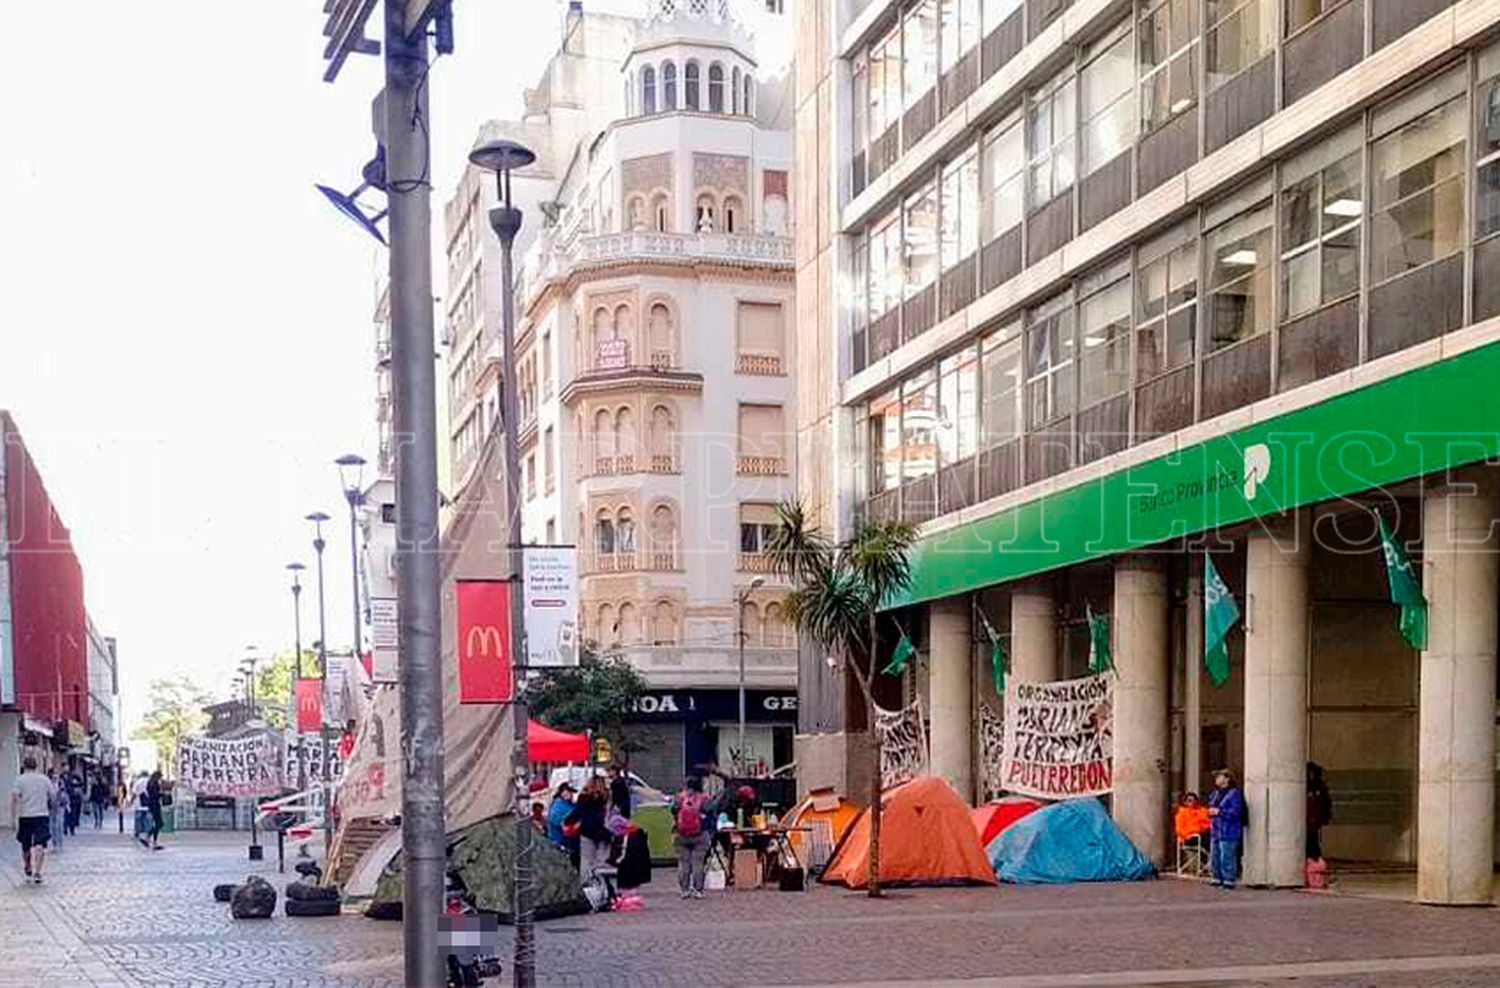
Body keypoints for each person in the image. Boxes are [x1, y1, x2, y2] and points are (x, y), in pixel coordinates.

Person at [10, 756, 56, 884]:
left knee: (25, 844)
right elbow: (53, 796)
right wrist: (50, 808)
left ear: (24, 766)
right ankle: (38, 872)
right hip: (41, 815)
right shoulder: (44, 779)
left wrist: (13, 818)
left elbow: (14, 798)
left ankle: (28, 865)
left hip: (25, 816)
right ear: (36, 766)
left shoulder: (19, 780)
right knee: (40, 844)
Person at [670, 776, 711, 900]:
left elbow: (673, 810)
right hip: (700, 835)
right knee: (698, 863)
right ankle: (698, 890)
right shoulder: (704, 798)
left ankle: (684, 890)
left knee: (684, 863)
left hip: (681, 835)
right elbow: (709, 812)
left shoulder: (679, 797)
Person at [565, 777, 611, 882]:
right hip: (604, 831)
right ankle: (601, 883)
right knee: (601, 860)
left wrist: (568, 821)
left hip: (587, 831)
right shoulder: (607, 797)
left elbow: (578, 812)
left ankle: (587, 883)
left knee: (586, 859)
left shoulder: (584, 798)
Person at [1207, 770, 1247, 889]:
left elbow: (1236, 812)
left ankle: (1228, 880)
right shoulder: (1215, 793)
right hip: (1216, 829)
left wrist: (1220, 812)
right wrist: (1210, 812)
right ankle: (1216, 878)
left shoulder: (1234, 793)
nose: (1216, 778)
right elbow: (1210, 807)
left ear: (1227, 778)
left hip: (1229, 830)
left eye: (1219, 776)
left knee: (1227, 856)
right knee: (1215, 855)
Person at [1306, 762, 1333, 860]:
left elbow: (1325, 804)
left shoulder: (1319, 788)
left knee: (1313, 841)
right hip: (1308, 821)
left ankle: (1314, 859)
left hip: (1314, 821)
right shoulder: (1307, 788)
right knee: (1311, 841)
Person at [144, 770, 165, 850]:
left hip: (152, 804)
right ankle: (150, 839)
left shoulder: (150, 783)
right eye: (160, 777)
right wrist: (161, 794)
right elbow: (155, 794)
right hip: (155, 804)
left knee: (158, 823)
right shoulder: (154, 784)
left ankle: (151, 839)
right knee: (159, 823)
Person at [46, 769, 64, 852]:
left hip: (60, 807)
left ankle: (60, 843)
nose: (55, 776)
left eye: (57, 774)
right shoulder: (48, 784)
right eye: (54, 774)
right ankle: (54, 844)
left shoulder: (61, 783)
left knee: (59, 825)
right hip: (51, 807)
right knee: (52, 826)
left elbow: (64, 794)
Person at [131, 772, 150, 845]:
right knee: (147, 818)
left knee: (138, 818)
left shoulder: (138, 782)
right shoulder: (149, 781)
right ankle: (147, 832)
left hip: (138, 803)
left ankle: (138, 832)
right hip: (148, 803)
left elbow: (134, 793)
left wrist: (131, 801)